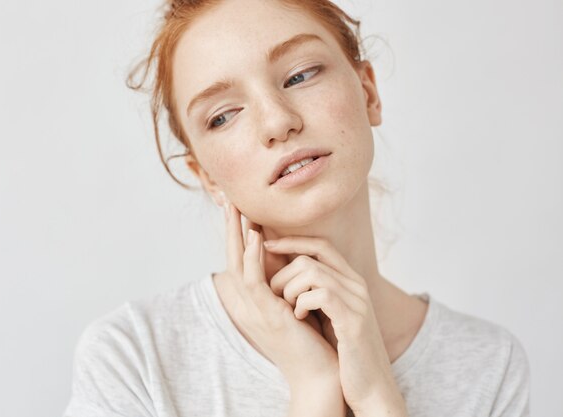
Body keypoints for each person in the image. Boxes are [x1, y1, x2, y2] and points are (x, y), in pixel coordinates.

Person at [63, 0, 531, 416]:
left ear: (368, 92)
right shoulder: (135, 358)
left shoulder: (487, 365)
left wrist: (379, 400)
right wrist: (315, 387)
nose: (278, 122)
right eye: (223, 115)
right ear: (206, 176)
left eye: (299, 75)